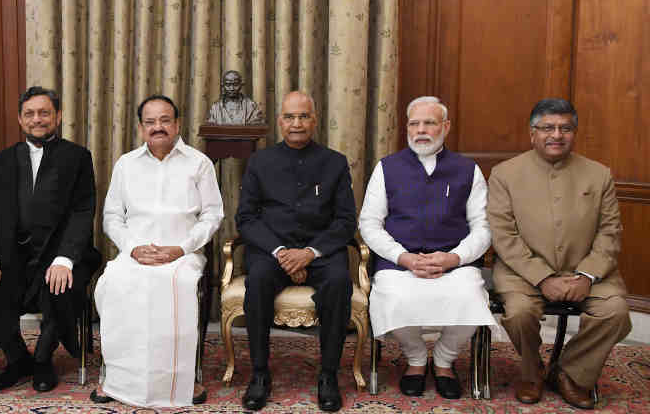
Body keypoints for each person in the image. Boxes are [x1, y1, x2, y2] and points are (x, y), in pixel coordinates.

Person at [487, 98, 632, 409]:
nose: (556, 135)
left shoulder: (598, 174)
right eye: (547, 128)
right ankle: (532, 372)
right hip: (521, 272)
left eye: (565, 128)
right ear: (532, 133)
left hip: (588, 270)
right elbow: (503, 235)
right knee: (520, 313)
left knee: (616, 312)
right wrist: (543, 277)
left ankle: (571, 373)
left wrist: (586, 275)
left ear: (574, 133)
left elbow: (610, 232)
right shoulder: (505, 174)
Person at [359, 96, 496, 399]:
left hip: (453, 262)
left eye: (429, 123)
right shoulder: (387, 168)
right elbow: (368, 223)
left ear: (445, 127)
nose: (421, 130)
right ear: (406, 127)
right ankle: (417, 360)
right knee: (393, 297)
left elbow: (483, 226)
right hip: (400, 262)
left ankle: (445, 360)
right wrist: (403, 257)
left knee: (471, 297)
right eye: (414, 123)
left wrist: (453, 258)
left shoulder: (467, 169)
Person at [90, 95, 223, 407]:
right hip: (136, 253)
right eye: (150, 122)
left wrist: (181, 248)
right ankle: (117, 380)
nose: (157, 127)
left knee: (173, 286)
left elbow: (213, 215)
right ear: (140, 128)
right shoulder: (126, 164)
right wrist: (133, 249)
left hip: (183, 254)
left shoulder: (198, 163)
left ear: (177, 125)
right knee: (113, 284)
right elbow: (112, 217)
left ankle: (180, 382)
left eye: (165, 120)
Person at [0, 86, 101, 392]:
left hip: (62, 254)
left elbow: (83, 212)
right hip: (13, 253)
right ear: (20, 119)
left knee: (62, 286)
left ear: (58, 116)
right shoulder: (3, 160)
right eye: (30, 114)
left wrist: (65, 259)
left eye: (44, 113)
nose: (37, 119)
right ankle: (18, 359)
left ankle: (43, 359)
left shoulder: (78, 157)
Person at [235, 91, 356, 412]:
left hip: (321, 252)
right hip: (272, 251)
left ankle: (328, 375)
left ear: (314, 120)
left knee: (339, 282)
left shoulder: (335, 162)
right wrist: (280, 252)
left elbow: (345, 221)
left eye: (303, 116)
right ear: (280, 122)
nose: (297, 123)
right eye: (290, 117)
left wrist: (310, 253)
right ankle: (260, 374)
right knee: (257, 280)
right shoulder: (260, 162)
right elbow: (246, 219)